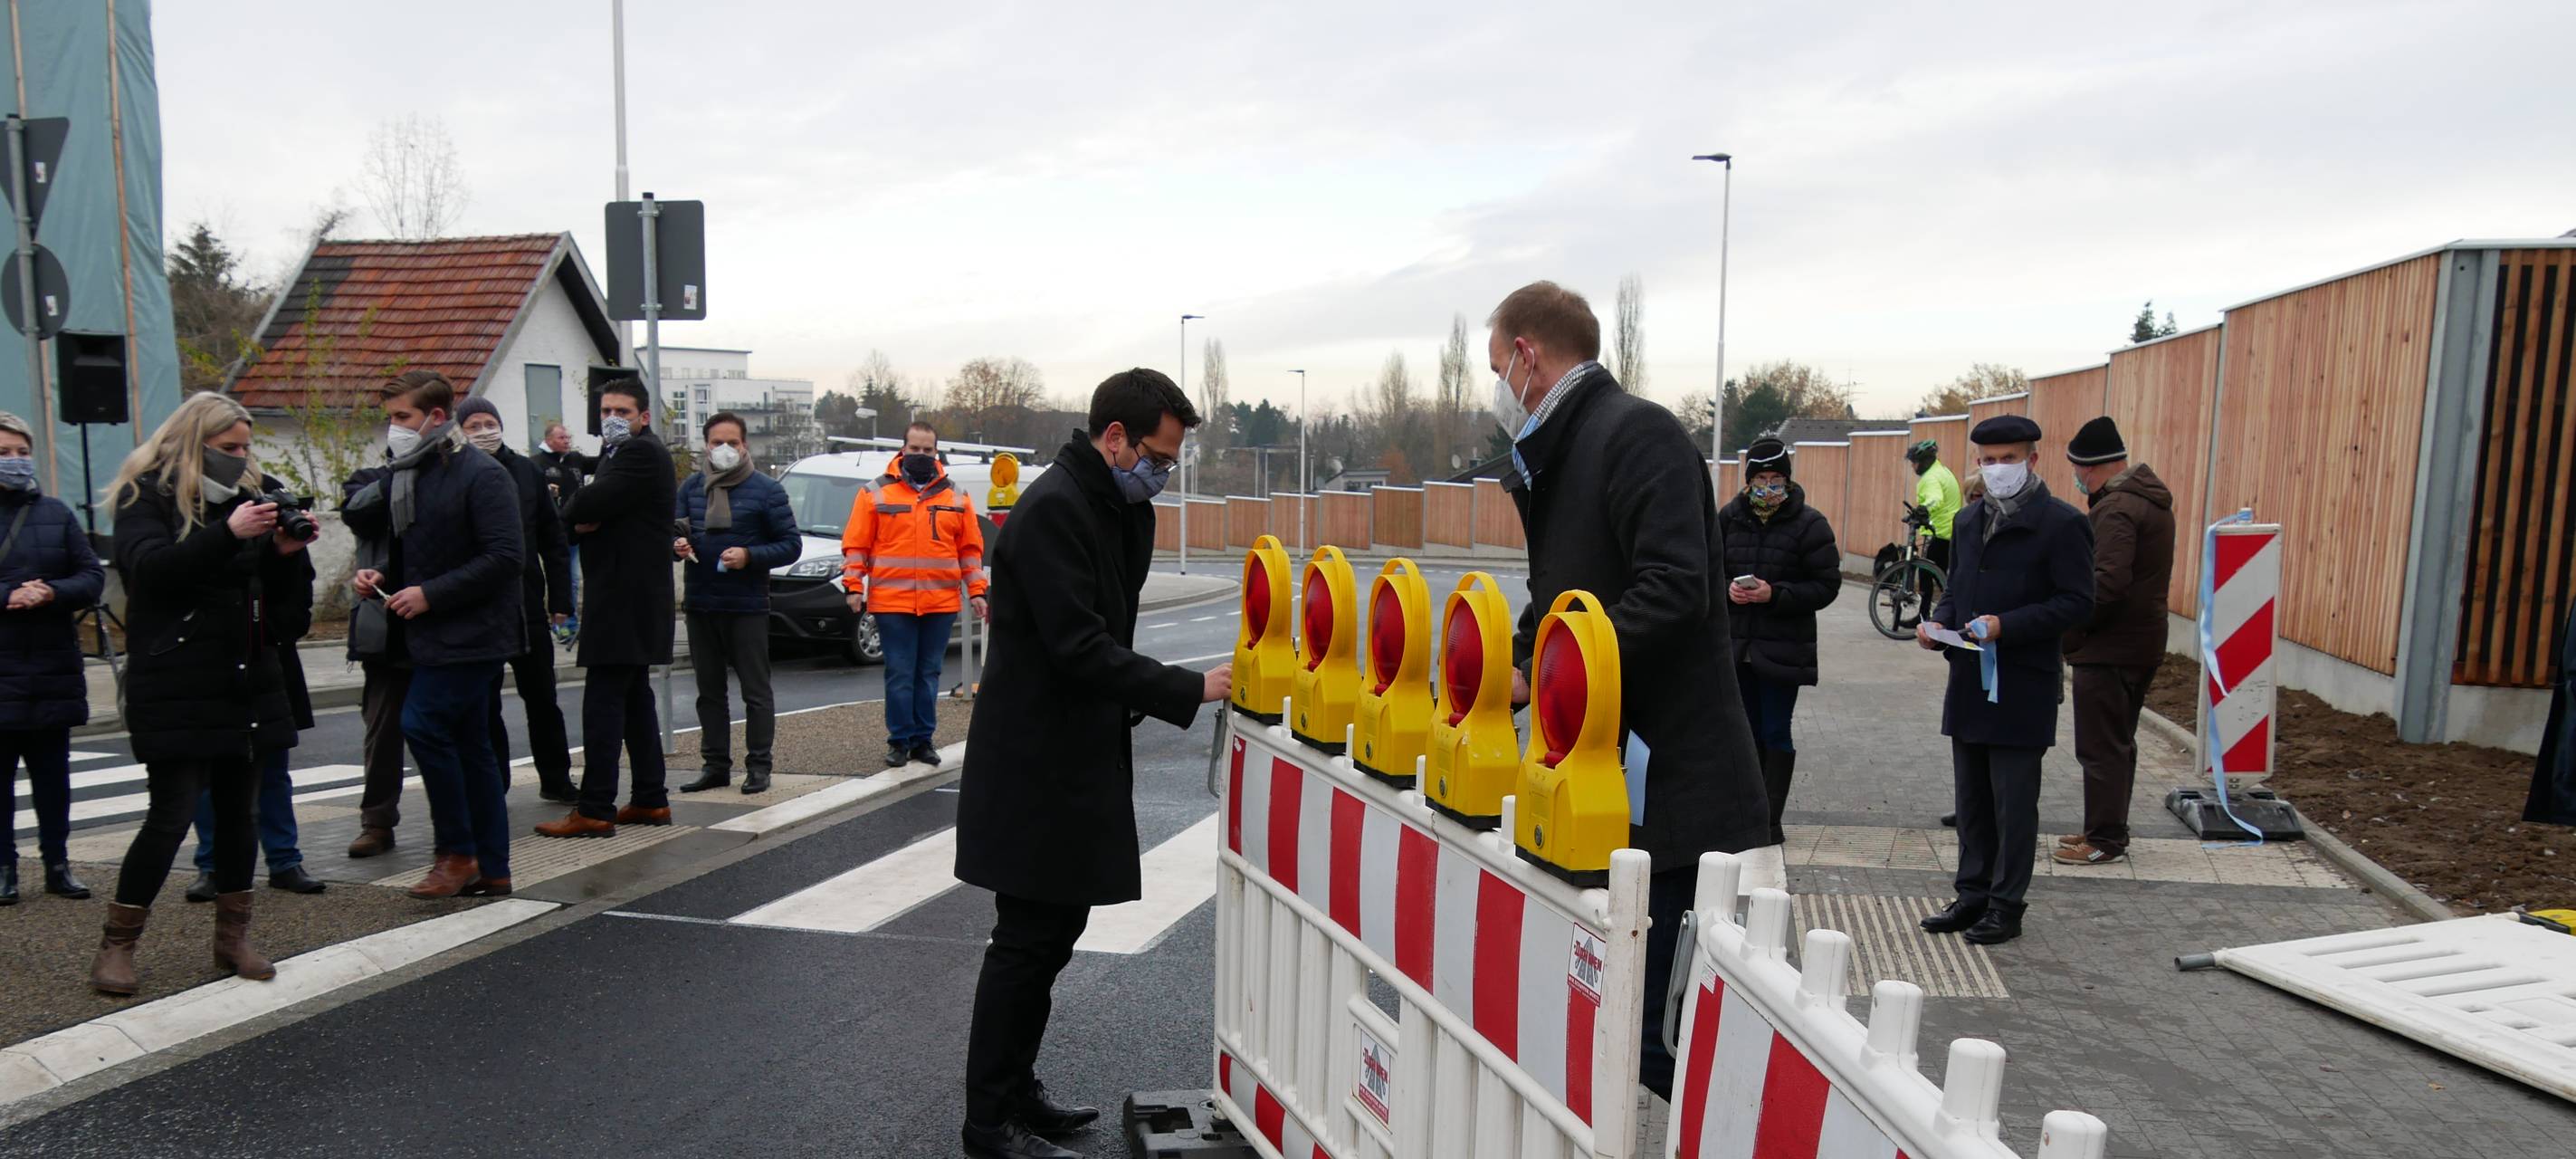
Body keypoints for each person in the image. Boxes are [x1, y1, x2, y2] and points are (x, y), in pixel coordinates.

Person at [1484, 281, 1775, 1102]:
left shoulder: (1635, 434)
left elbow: (1674, 589)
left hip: (1669, 786)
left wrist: (1557, 669)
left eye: (1496, 364)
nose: (1497, 385)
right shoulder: (1562, 450)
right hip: (1596, 780)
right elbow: (1567, 593)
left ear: (1527, 355)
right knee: (1602, 1017)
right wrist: (1515, 661)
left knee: (1654, 1038)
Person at [953, 369, 1230, 1159]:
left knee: (1054, 930)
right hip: (1035, 760)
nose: (1163, 474)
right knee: (1025, 941)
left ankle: (1016, 1089)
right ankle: (988, 1123)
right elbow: (1078, 646)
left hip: (1073, 753)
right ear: (1115, 437)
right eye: (1158, 456)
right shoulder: (1052, 511)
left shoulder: (1112, 505)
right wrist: (1187, 687)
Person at [90, 393, 310, 995]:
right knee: (171, 815)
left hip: (246, 676)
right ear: (194, 442)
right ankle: (117, 945)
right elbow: (150, 573)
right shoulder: (147, 496)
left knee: (241, 813)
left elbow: (287, 615)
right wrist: (228, 535)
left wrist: (287, 557)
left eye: (245, 448)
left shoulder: (252, 497)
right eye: (227, 449)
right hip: (176, 678)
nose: (240, 460)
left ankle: (233, 938)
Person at [1915, 415, 2094, 947]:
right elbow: (1958, 590)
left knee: (2013, 803)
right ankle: (1971, 894)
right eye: (1989, 461)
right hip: (1969, 680)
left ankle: (2006, 904)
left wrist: (2004, 626)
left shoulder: (2062, 523)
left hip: (2023, 685)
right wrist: (1940, 623)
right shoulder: (1969, 523)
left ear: (2032, 461)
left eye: (2009, 459)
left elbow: (2077, 602)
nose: (1998, 470)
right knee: (1970, 799)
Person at [350, 372, 526, 898]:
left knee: (421, 724)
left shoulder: (481, 474)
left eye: (402, 417)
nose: (394, 428)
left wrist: (431, 594)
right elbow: (415, 548)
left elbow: (505, 557)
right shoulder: (410, 473)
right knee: (472, 747)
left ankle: (457, 851)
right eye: (390, 418)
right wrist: (381, 576)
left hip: (474, 633)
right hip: (430, 635)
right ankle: (492, 865)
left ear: (435, 417)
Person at [537, 378, 677, 838]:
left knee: (603, 700)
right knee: (634, 698)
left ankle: (595, 806)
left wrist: (578, 511)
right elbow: (583, 517)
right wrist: (582, 517)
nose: (612, 419)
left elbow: (585, 504)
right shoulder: (621, 456)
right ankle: (650, 799)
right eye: (605, 411)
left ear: (643, 417)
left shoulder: (638, 453)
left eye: (621, 411)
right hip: (629, 593)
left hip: (623, 594)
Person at [2056, 417, 2174, 867]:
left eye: (2075, 468)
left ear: (2089, 467)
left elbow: (2105, 584)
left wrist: (2071, 630)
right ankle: (2105, 828)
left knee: (2101, 744)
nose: (2076, 477)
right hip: (2138, 642)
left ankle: (2105, 838)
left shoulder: (2117, 508)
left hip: (2111, 647)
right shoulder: (2147, 501)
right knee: (2118, 740)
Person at [0, 411, 104, 905]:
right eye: (5, 454)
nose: (16, 462)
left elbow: (91, 576)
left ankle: (57, 864)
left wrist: (50, 592)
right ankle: (4, 868)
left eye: (22, 452)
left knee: (52, 776)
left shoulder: (56, 513)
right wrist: (7, 597)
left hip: (51, 665)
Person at [1716, 436, 1842, 847]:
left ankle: (1770, 819)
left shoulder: (1810, 524)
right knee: (1742, 733)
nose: (1768, 488)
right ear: (1748, 481)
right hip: (1737, 648)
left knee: (1774, 731)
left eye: (1775, 480)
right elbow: (1704, 572)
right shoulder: (1727, 519)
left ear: (1788, 481)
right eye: (1760, 480)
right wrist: (1726, 592)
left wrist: (1777, 594)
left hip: (1783, 649)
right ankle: (1743, 813)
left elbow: (1826, 586)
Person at [844, 421, 989, 769]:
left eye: (927, 450)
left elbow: (969, 550)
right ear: (902, 450)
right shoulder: (875, 493)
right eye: (915, 449)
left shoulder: (956, 496)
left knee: (928, 674)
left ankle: (923, 740)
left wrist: (977, 591)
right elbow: (857, 544)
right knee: (899, 672)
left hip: (939, 603)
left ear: (936, 452)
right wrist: (853, 586)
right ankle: (899, 740)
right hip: (892, 604)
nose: (921, 455)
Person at [674, 412, 800, 794]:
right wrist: (676, 546)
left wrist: (749, 555)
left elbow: (790, 544)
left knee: (755, 691)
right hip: (700, 603)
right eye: (717, 443)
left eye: (733, 442)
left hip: (746, 605)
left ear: (745, 445)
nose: (725, 449)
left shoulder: (766, 490)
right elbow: (675, 530)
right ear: (706, 445)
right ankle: (715, 765)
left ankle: (759, 766)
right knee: (709, 692)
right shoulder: (692, 488)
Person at [458, 398, 577, 802]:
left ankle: (557, 779)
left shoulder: (527, 471)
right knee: (483, 702)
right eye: (474, 424)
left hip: (525, 603)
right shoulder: (454, 473)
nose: (484, 430)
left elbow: (553, 540)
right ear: (461, 430)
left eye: (490, 422)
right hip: (476, 607)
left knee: (542, 698)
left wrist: (561, 599)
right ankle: (494, 783)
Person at [183, 565, 324, 902]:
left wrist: (267, 629)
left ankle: (285, 861)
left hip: (269, 658)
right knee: (211, 772)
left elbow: (298, 590)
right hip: (211, 659)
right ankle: (212, 865)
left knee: (273, 768)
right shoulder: (203, 524)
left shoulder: (277, 525)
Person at [533, 420, 591, 631]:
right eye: (561, 438)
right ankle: (563, 624)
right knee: (564, 577)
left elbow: (601, 463)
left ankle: (570, 623)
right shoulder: (537, 464)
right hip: (554, 532)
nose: (567, 441)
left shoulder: (576, 459)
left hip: (578, 532)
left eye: (568, 438)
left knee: (576, 579)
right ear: (549, 440)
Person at [1907, 438, 1961, 602]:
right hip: (1949, 531)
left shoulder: (1930, 478)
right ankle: (1945, 609)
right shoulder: (1942, 471)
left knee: (1928, 573)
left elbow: (1935, 499)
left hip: (1939, 531)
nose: (1913, 466)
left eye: (1914, 462)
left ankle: (1926, 615)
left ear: (1923, 461)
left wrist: (1922, 511)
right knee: (1940, 574)